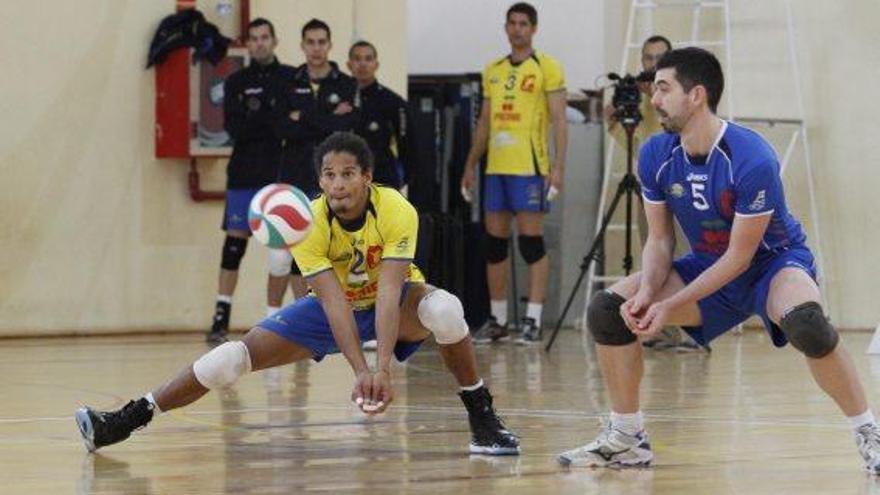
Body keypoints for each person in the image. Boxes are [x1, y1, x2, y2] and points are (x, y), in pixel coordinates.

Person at [75, 132, 520, 457]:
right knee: (229, 358)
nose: (338, 183)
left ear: (367, 177)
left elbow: (387, 292)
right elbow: (332, 302)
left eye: (348, 173)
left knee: (445, 309)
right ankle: (127, 419)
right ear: (320, 181)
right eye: (329, 175)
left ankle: (481, 417)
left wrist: (381, 369)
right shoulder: (307, 221)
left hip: (395, 300)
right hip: (334, 308)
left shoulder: (396, 209)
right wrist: (360, 371)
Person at [556, 47, 880, 473]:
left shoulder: (751, 157)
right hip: (708, 263)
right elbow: (658, 239)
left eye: (663, 88)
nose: (653, 100)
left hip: (772, 263)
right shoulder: (655, 154)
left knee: (808, 325)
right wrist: (650, 292)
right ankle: (626, 438)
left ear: (697, 96)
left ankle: (868, 432)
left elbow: (741, 257)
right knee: (608, 311)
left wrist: (668, 306)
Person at [460, 2, 568, 345]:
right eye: (512, 23)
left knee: (531, 243)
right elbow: (485, 122)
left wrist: (558, 167)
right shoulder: (492, 69)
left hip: (530, 168)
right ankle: (498, 320)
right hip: (496, 169)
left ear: (533, 28)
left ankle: (533, 320)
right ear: (506, 28)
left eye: (524, 24)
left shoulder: (547, 67)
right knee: (495, 245)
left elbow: (561, 121)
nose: (518, 29)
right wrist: (470, 164)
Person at [607, 35, 701, 351]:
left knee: (686, 258)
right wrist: (617, 109)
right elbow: (629, 139)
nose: (653, 63)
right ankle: (661, 328)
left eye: (660, 57)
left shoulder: (684, 95)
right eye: (648, 58)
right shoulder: (641, 99)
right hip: (652, 193)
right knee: (654, 257)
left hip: (685, 190)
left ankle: (693, 332)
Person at [207, 18, 296, 344]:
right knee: (233, 248)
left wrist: (263, 120)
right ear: (248, 43)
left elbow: (293, 127)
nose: (259, 43)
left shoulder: (291, 78)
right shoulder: (236, 81)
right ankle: (221, 315)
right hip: (244, 174)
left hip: (280, 176)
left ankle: (288, 318)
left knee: (286, 253)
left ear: (274, 40)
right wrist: (275, 119)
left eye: (264, 37)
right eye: (254, 38)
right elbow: (235, 129)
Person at [271, 18, 359, 302]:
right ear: (302, 45)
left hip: (335, 180)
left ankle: (348, 316)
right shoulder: (288, 81)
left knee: (334, 252)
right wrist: (328, 118)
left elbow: (345, 126)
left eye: (322, 42)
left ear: (330, 45)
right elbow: (281, 128)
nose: (316, 48)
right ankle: (288, 317)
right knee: (286, 256)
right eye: (311, 42)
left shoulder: (346, 84)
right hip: (294, 177)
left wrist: (303, 117)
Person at [348, 40, 409, 190]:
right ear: (349, 65)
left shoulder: (392, 102)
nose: (362, 64)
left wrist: (403, 177)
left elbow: (407, 145)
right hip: (344, 181)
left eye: (368, 59)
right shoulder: (339, 99)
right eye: (357, 59)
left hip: (382, 179)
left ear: (376, 64)